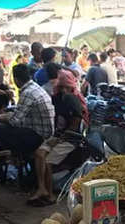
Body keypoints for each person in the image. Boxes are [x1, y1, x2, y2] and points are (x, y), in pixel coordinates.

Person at [30, 70, 88, 206]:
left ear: (69, 86)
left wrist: (60, 138)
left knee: (48, 161)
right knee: (39, 153)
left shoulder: (72, 99)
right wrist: (55, 137)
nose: (62, 89)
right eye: (60, 86)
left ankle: (50, 195)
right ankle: (42, 188)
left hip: (72, 138)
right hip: (59, 135)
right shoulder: (56, 98)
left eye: (64, 86)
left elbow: (76, 123)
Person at [0, 63, 54, 158]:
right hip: (43, 130)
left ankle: (16, 156)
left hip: (40, 135)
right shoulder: (35, 87)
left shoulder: (27, 92)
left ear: (16, 79)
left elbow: (14, 121)